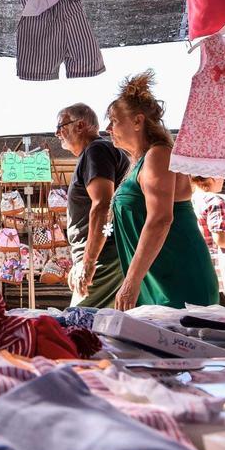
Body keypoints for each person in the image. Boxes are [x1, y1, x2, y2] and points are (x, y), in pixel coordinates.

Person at [106, 72, 218, 310]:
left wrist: (130, 282)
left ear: (137, 121)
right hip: (155, 279)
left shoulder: (158, 155)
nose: (108, 128)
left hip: (177, 279)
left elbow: (160, 219)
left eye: (114, 120)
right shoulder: (141, 161)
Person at [56, 102, 129, 307]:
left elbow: (102, 205)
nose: (58, 133)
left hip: (102, 258)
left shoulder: (96, 150)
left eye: (61, 126)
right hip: (103, 256)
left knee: (78, 326)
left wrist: (88, 263)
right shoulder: (97, 151)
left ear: (80, 126)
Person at [191, 176, 225, 253]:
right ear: (213, 177)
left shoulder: (190, 199)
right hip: (217, 260)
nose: (224, 180)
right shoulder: (215, 201)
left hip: (198, 256)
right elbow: (222, 241)